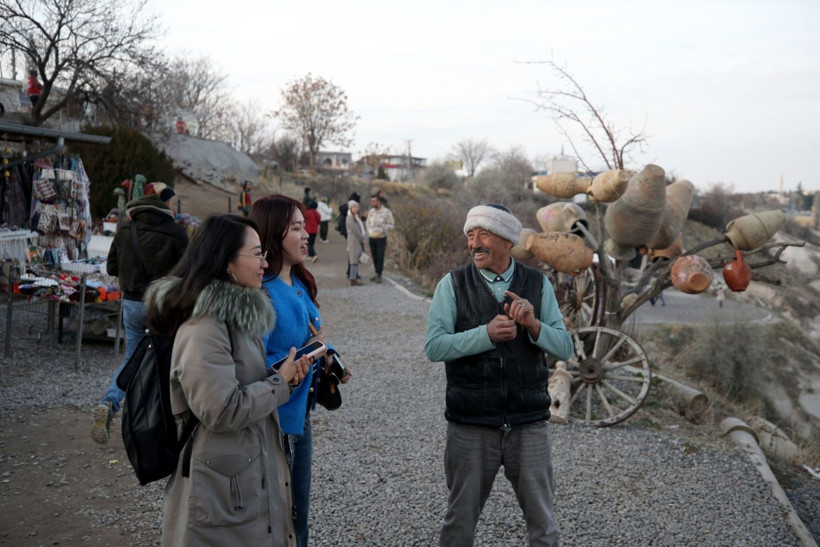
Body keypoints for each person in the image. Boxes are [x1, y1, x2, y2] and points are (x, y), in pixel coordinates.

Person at [143, 214, 311, 545]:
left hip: (241, 476)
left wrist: (284, 377)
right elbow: (220, 409)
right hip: (220, 490)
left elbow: (240, 385)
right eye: (257, 254)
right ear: (226, 260)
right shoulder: (204, 327)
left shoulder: (236, 319)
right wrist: (279, 384)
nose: (265, 263)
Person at [424, 203, 574, 547]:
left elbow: (564, 347)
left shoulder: (537, 283)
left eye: (484, 235)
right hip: (470, 423)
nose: (474, 243)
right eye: (470, 235)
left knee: (543, 524)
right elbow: (434, 347)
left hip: (528, 423)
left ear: (508, 240)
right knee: (459, 523)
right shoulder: (452, 284)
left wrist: (533, 325)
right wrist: (485, 335)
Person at [249, 195, 352, 547]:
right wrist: (303, 355)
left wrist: (328, 354)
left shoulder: (298, 282)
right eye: (296, 228)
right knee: (279, 519)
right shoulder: (262, 295)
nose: (306, 234)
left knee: (298, 516)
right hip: (275, 424)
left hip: (300, 417)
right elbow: (252, 365)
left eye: (303, 226)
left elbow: (312, 334)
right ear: (272, 234)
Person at [91, 183, 189, 444]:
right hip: (162, 305)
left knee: (132, 358)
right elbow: (187, 272)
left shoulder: (125, 229)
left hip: (132, 304)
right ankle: (160, 422)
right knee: (167, 361)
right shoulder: (177, 232)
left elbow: (111, 268)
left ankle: (109, 402)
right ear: (165, 206)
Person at [365, 194, 394, 283]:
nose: (372, 203)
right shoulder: (371, 212)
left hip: (381, 237)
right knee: (374, 256)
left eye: (374, 201)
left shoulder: (386, 212)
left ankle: (379, 274)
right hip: (372, 237)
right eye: (371, 201)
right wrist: (370, 231)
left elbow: (391, 224)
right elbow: (368, 223)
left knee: (380, 256)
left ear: (379, 202)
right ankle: (376, 272)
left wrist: (383, 230)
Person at [345, 200, 368, 286]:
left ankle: (353, 278)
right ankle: (353, 279)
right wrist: (361, 238)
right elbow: (355, 230)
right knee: (353, 260)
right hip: (354, 241)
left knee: (355, 260)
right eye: (354, 207)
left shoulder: (355, 217)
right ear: (350, 208)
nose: (356, 209)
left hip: (356, 241)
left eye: (357, 207)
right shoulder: (350, 218)